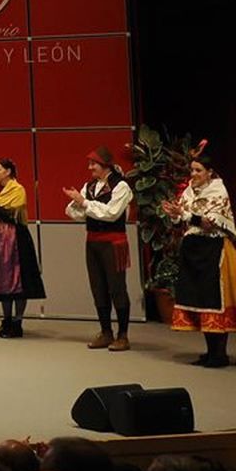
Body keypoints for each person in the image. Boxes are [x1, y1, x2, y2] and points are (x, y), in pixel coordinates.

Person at [163, 148, 235, 367]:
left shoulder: (217, 190)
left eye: (198, 170)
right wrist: (175, 213)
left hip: (213, 249)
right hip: (194, 249)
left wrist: (184, 214)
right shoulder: (190, 190)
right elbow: (184, 217)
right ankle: (210, 351)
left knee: (213, 299)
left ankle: (219, 353)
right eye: (192, 170)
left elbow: (208, 222)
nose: (193, 174)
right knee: (200, 300)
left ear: (209, 172)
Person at [63, 146, 134, 350]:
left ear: (105, 165)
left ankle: (123, 335)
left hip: (113, 243)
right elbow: (75, 213)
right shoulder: (90, 185)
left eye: (93, 164)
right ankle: (105, 332)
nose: (90, 167)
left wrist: (84, 203)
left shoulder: (120, 186)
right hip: (93, 242)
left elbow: (111, 213)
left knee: (117, 288)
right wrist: (79, 203)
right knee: (98, 288)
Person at [0, 158, 45, 338]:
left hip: (15, 239)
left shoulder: (18, 189)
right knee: (2, 280)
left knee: (18, 280)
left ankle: (17, 322)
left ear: (8, 171)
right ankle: (6, 320)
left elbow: (10, 215)